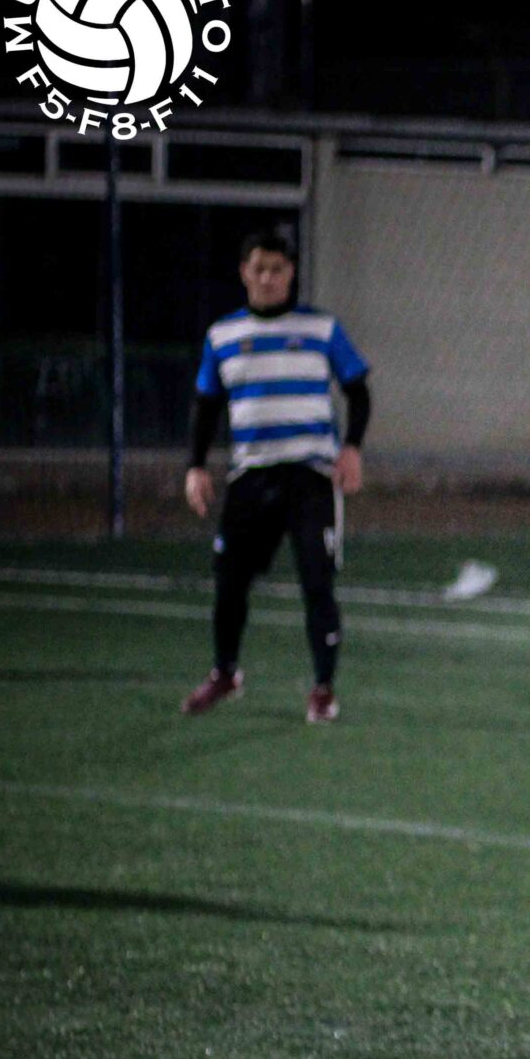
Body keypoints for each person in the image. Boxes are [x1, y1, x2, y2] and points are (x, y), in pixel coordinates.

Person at [179, 229, 373, 725]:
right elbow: (206, 405)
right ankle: (225, 674)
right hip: (250, 477)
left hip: (310, 476)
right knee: (229, 581)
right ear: (244, 272)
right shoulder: (222, 336)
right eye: (259, 268)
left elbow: (358, 390)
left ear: (291, 274)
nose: (268, 278)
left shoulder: (321, 329)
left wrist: (351, 448)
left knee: (317, 582)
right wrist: (195, 466)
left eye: (277, 269)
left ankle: (323, 688)